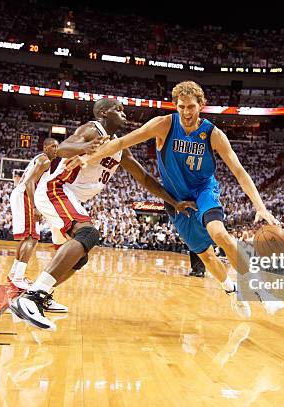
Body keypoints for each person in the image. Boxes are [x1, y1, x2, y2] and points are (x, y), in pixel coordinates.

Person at [77, 81, 284, 318]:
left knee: (219, 233)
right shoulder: (163, 125)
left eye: (191, 107)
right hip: (176, 199)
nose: (186, 112)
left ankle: (261, 291)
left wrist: (260, 207)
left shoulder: (213, 134)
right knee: (205, 254)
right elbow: (122, 142)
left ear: (201, 106)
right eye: (181, 107)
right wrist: (89, 158)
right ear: (176, 107)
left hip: (203, 191)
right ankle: (231, 290)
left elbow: (239, 171)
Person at [10, 98, 196, 330]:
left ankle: (41, 293)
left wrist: (175, 202)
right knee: (88, 234)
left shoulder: (119, 147)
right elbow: (62, 148)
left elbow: (146, 179)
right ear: (104, 113)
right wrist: (84, 148)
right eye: (118, 109)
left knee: (80, 255)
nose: (124, 113)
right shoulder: (91, 129)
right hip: (56, 189)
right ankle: (31, 298)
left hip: (71, 197)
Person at [7, 138, 59, 290]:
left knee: (28, 238)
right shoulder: (45, 161)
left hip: (21, 194)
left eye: (57, 146)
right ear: (45, 148)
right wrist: (35, 206)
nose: (56, 149)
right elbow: (30, 182)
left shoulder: (39, 158)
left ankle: (13, 274)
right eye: (53, 146)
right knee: (32, 238)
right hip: (25, 196)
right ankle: (18, 277)